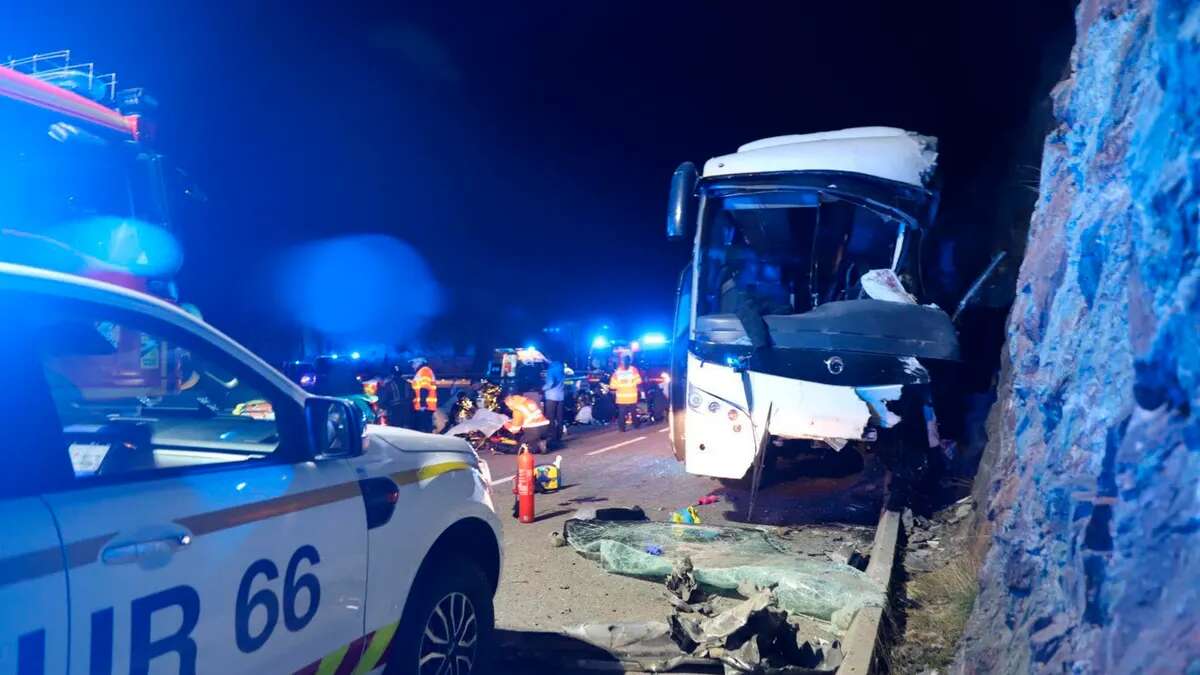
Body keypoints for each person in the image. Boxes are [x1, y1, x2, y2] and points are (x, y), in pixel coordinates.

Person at [609, 355, 642, 432]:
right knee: (633, 411)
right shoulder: (633, 370)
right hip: (632, 395)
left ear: (622, 362)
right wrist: (631, 383)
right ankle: (636, 425)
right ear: (630, 361)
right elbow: (639, 380)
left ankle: (622, 428)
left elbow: (612, 385)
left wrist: (620, 386)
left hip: (621, 397)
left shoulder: (617, 372)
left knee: (622, 413)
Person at [409, 357, 437, 433]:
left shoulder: (424, 371)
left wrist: (423, 405)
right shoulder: (423, 371)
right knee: (425, 429)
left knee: (424, 430)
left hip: (424, 407)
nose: (412, 366)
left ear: (419, 363)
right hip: (425, 407)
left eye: (413, 363)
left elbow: (424, 388)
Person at [542, 360, 565, 447]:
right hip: (560, 396)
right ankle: (559, 435)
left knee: (550, 417)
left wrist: (542, 388)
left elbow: (550, 383)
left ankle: (552, 436)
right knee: (559, 417)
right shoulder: (561, 370)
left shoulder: (551, 370)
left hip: (551, 397)